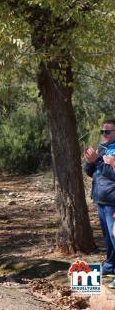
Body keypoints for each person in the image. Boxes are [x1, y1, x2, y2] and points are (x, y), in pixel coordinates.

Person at [84, 119, 115, 286]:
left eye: (108, 132)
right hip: (100, 199)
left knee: (114, 235)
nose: (104, 135)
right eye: (102, 132)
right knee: (107, 237)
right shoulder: (102, 148)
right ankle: (110, 265)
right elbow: (92, 172)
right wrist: (90, 162)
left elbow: (113, 173)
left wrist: (98, 161)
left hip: (113, 200)